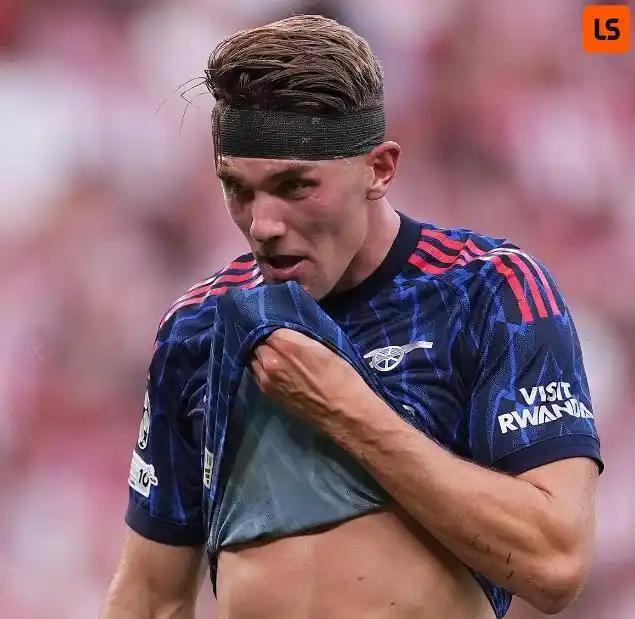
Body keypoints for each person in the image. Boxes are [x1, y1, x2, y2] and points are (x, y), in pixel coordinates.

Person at [101, 14, 602, 619]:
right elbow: (149, 599)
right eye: (238, 188)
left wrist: (346, 410)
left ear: (380, 169)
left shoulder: (488, 290)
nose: (263, 224)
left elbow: (555, 566)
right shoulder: (200, 326)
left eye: (295, 186)